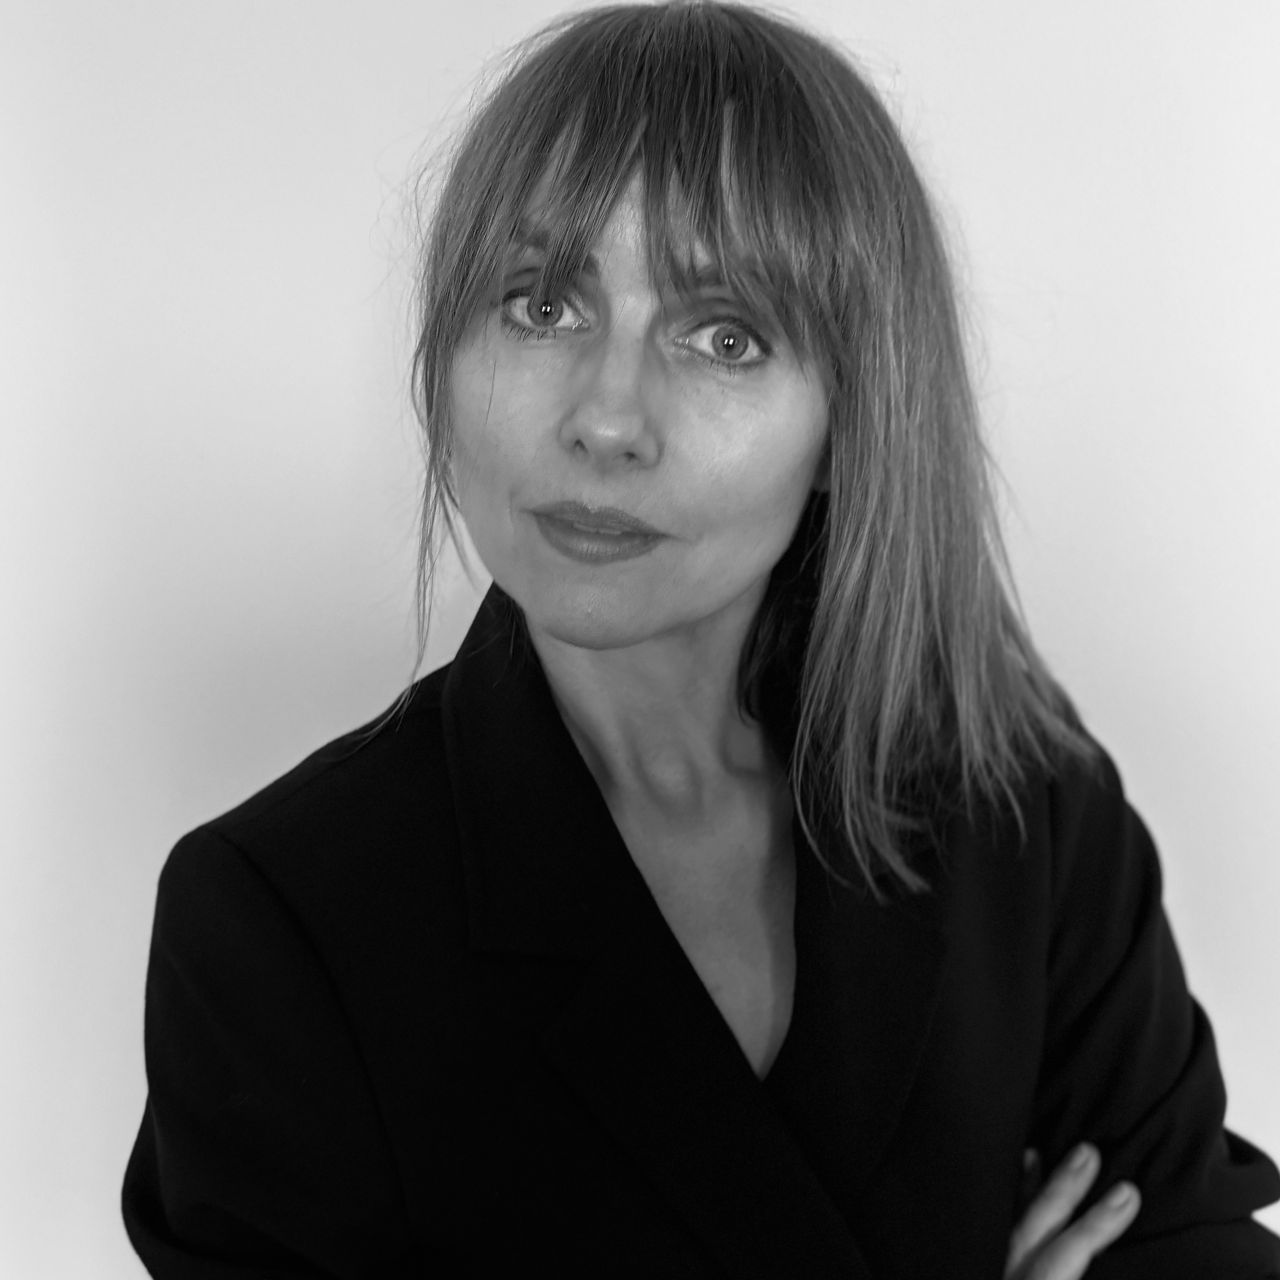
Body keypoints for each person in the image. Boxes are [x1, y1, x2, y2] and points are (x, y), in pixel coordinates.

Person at [122, 2, 1280, 1276]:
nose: (606, 419)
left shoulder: (1020, 801)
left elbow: (1189, 1243)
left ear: (852, 421)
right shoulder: (279, 920)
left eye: (724, 335)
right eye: (539, 305)